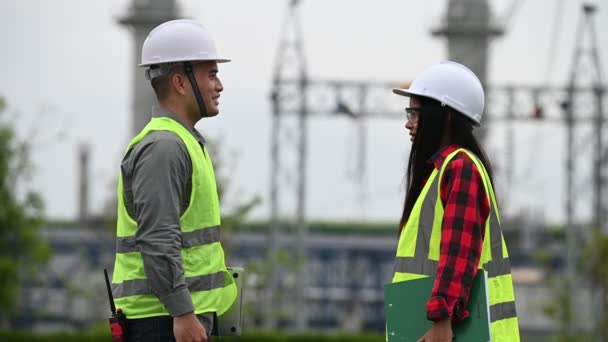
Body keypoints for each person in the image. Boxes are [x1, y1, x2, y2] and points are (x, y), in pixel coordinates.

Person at [110, 19, 237, 342]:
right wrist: (182, 312)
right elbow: (158, 238)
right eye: (211, 74)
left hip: (174, 318)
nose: (219, 85)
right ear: (180, 82)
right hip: (164, 322)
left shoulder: (181, 142)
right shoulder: (164, 147)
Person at [391, 61, 520, 341]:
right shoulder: (441, 172)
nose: (408, 122)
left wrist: (441, 319)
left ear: (445, 116)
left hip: (451, 332)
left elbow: (459, 250)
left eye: (415, 112)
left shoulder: (460, 168)